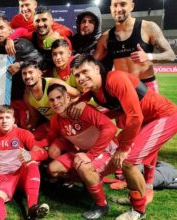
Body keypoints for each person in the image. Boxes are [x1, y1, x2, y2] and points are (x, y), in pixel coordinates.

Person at [71, 54, 177, 220]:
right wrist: (82, 100)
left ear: (97, 69)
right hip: (146, 119)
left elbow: (135, 117)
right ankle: (138, 194)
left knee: (127, 161)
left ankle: (138, 211)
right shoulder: (94, 91)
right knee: (122, 160)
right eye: (77, 75)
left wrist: (124, 148)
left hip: (163, 116)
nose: (81, 78)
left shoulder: (115, 80)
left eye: (85, 72)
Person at [46, 84, 118, 220]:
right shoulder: (56, 119)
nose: (55, 102)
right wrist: (33, 145)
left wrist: (91, 155)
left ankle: (102, 205)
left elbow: (110, 129)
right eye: (51, 100)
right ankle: (91, 181)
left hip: (107, 150)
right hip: (85, 152)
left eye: (59, 97)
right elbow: (50, 138)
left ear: (67, 97)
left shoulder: (83, 110)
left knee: (84, 167)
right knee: (53, 169)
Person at [0, 105, 49, 220]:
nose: (4, 120)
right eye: (1, 118)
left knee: (32, 163)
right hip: (2, 176)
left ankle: (32, 208)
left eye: (7, 117)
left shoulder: (24, 133)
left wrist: (30, 155)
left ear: (13, 120)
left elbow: (43, 153)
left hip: (22, 174)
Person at [94, 0, 175, 92]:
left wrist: (148, 56)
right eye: (115, 5)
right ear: (111, 8)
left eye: (123, 4)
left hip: (147, 87)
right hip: (124, 88)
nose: (118, 9)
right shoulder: (105, 37)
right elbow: (93, 62)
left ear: (131, 6)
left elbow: (171, 55)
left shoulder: (148, 27)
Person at [0, 15, 44, 128]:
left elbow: (40, 60)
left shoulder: (21, 44)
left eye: (1, 27)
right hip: (5, 99)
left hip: (23, 99)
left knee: (24, 129)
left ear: (9, 28)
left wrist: (21, 65)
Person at [21, 60, 79, 157]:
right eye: (24, 73)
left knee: (53, 152)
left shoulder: (53, 83)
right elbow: (34, 118)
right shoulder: (27, 95)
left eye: (31, 72)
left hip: (70, 123)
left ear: (40, 73)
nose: (27, 76)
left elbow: (77, 94)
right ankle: (37, 160)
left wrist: (74, 109)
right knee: (27, 139)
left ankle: (72, 154)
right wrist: (24, 130)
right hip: (53, 125)